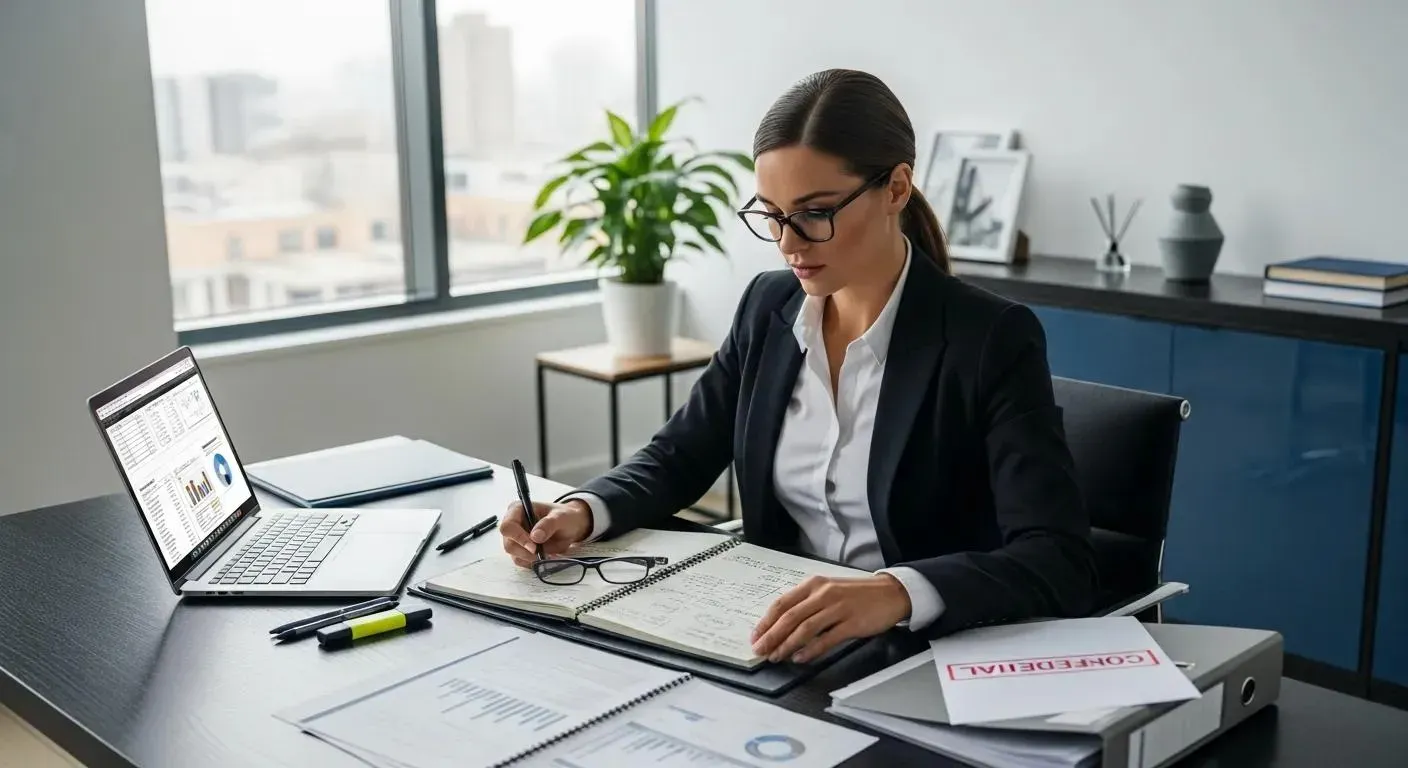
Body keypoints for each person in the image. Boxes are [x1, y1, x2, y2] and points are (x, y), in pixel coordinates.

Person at [500, 68, 1096, 665]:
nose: (789, 244)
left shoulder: (989, 338)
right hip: (772, 641)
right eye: (772, 214)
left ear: (895, 189)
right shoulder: (768, 307)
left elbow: (1055, 557)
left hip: (916, 654)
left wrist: (894, 592)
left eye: (814, 213)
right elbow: (679, 455)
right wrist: (582, 511)